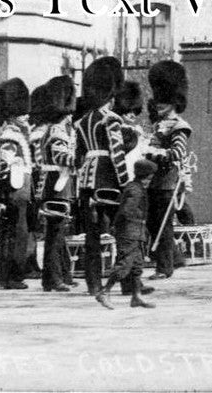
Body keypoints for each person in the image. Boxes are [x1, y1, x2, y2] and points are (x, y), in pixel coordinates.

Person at [73, 56, 130, 295]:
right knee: (126, 232)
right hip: (108, 179)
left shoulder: (82, 122)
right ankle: (129, 283)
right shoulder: (111, 119)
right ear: (111, 92)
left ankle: (94, 284)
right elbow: (117, 154)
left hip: (87, 182)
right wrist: (126, 183)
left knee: (92, 237)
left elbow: (78, 157)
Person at [144, 60, 192, 281]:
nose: (159, 107)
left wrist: (154, 153)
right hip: (156, 180)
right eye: (158, 103)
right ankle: (176, 258)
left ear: (174, 103)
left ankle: (164, 267)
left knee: (162, 224)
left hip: (169, 181)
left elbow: (178, 152)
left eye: (164, 104)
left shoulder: (179, 126)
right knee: (154, 222)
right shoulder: (159, 125)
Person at [33, 75, 78, 293]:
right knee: (54, 234)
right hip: (55, 186)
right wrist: (80, 159)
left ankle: (62, 274)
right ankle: (52, 279)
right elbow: (61, 157)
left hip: (57, 185)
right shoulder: (57, 131)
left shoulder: (55, 130)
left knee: (59, 233)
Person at [95, 158, 157, 310]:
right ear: (146, 176)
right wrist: (134, 225)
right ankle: (104, 292)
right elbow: (127, 211)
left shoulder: (135, 187)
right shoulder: (135, 190)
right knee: (124, 265)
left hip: (135, 232)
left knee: (136, 266)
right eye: (150, 177)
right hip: (130, 233)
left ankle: (136, 296)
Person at [0, 79, 32, 289]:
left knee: (17, 234)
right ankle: (11, 276)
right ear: (12, 114)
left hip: (20, 191)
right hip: (14, 191)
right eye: (22, 113)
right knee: (14, 235)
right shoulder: (9, 137)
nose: (27, 116)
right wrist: (3, 195)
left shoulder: (17, 135)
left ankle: (12, 275)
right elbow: (4, 167)